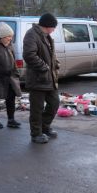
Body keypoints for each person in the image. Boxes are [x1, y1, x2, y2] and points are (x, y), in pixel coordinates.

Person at [23, 13, 60, 144]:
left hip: (49, 79)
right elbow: (29, 55)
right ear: (47, 25)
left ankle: (45, 127)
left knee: (55, 103)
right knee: (36, 109)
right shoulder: (31, 35)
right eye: (53, 27)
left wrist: (55, 63)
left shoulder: (47, 36)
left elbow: (50, 54)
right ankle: (36, 133)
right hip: (37, 79)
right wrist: (44, 67)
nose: (54, 30)